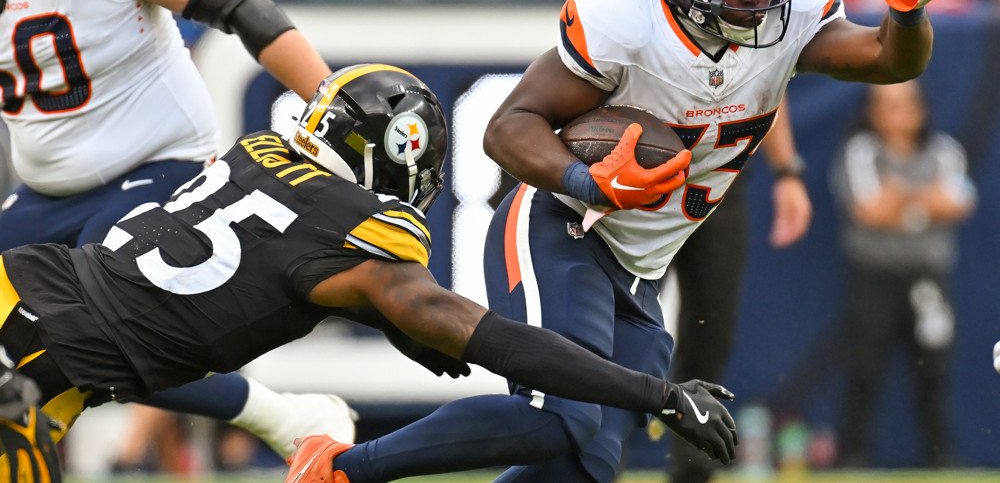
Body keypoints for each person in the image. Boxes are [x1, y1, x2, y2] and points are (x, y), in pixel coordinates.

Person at [286, 0, 943, 483]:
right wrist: (589, 181)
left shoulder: (792, 9)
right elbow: (506, 128)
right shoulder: (627, 23)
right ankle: (341, 468)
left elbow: (889, 58)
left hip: (639, 267)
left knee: (584, 465)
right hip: (564, 228)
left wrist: (907, 12)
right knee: (559, 416)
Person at [0, 64, 738, 482]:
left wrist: (412, 330)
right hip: (30, 358)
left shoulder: (257, 154)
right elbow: (496, 342)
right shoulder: (352, 232)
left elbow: (269, 271)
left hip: (28, 308)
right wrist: (658, 393)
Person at [0, 0, 354, 461]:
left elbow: (241, 7)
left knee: (102, 331)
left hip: (153, 163)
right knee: (17, 370)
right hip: (46, 191)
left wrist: (334, 106)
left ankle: (287, 416)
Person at [597, 0, 812, 481]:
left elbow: (762, 77)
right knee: (618, 326)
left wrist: (788, 170)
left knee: (711, 324)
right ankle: (594, 452)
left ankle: (693, 469)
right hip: (641, 167)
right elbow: (591, 75)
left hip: (724, 169)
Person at [830, 80, 975, 468]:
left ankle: (941, 458)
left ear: (922, 109)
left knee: (934, 369)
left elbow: (959, 201)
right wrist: (927, 201)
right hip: (873, 278)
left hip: (929, 279)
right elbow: (869, 210)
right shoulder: (860, 151)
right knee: (865, 366)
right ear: (872, 111)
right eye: (887, 105)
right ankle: (852, 457)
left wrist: (902, 199)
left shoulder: (946, 151)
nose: (897, 113)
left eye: (905, 104)